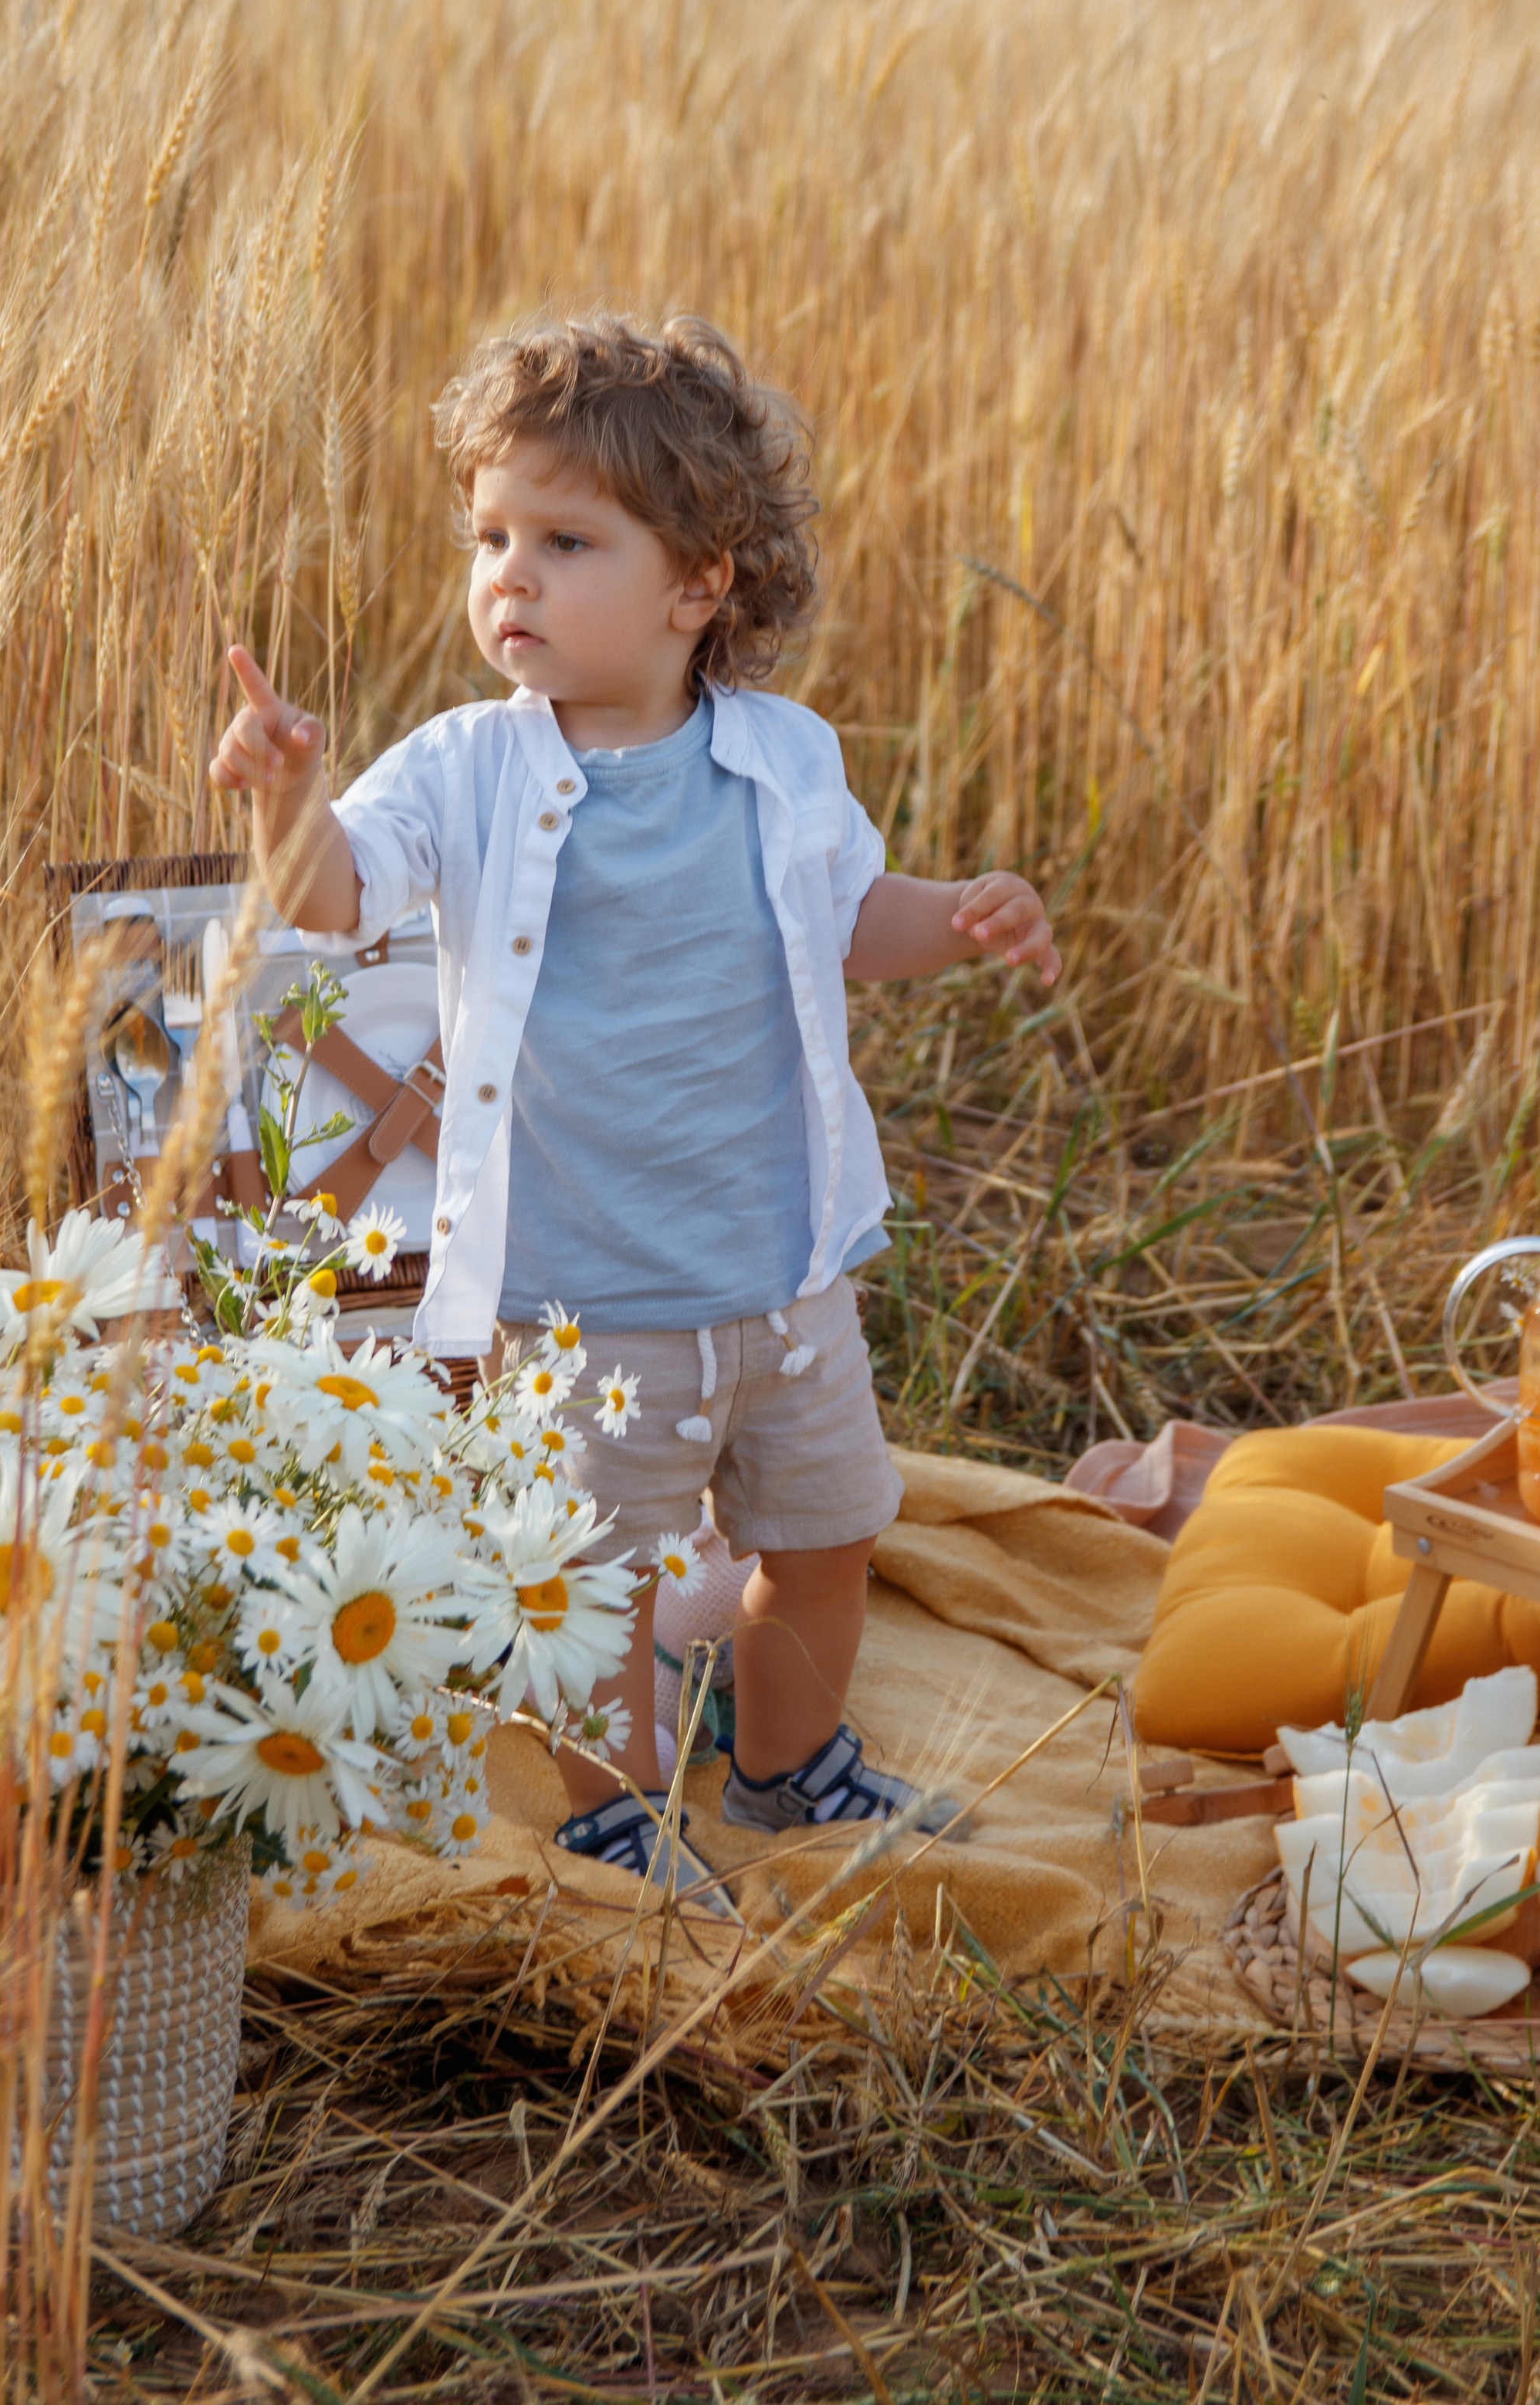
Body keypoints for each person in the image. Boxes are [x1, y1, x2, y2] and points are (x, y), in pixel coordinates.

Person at [208, 311, 1060, 1905]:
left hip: (782, 1272)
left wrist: (957, 919)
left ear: (698, 583)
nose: (507, 576)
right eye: (488, 536)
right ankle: (612, 1803)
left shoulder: (783, 761)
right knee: (592, 1578)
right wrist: (283, 807)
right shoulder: (462, 769)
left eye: (563, 539)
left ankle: (789, 1766)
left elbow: (849, 913)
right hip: (584, 1303)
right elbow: (335, 894)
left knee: (820, 1536)